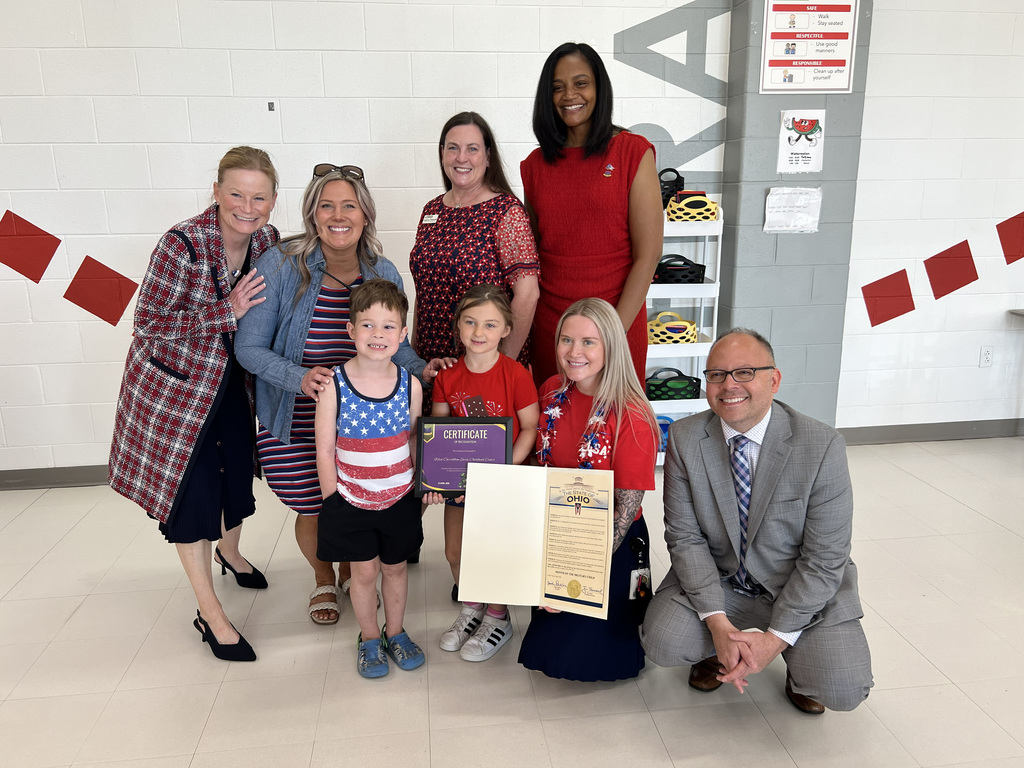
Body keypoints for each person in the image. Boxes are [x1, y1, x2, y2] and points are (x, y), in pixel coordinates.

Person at [236, 164, 439, 626]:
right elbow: (247, 348)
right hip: (294, 412)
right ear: (312, 214)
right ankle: (324, 577)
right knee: (315, 502)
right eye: (326, 205)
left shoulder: (382, 270)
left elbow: (397, 345)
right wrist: (299, 377)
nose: (338, 215)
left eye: (349, 205)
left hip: (365, 418)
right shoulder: (283, 264)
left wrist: (423, 368)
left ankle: (357, 571)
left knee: (363, 498)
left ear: (365, 214)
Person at [640, 329, 873, 713]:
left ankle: (797, 664)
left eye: (744, 372)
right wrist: (717, 625)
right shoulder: (685, 437)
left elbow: (824, 557)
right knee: (662, 642)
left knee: (844, 688)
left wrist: (776, 639)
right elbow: (685, 538)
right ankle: (718, 650)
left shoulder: (822, 445)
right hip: (724, 580)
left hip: (794, 584)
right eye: (716, 374)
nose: (729, 385)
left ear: (773, 380)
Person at [109, 146, 279, 662]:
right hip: (177, 391)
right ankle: (210, 612)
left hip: (232, 383)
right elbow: (150, 325)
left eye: (259, 197)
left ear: (273, 202)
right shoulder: (181, 243)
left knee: (234, 477)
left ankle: (229, 552)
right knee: (195, 494)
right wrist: (224, 311)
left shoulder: (267, 240)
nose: (247, 207)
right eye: (236, 194)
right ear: (216, 192)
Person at [518, 298, 658, 681]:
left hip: (611, 540)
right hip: (559, 528)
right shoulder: (550, 390)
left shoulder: (632, 414)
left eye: (588, 342)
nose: (573, 352)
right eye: (566, 340)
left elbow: (624, 514)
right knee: (546, 652)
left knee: (591, 659)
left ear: (611, 346)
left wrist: (565, 579)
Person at [522, 43, 663, 386]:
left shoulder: (632, 151)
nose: (569, 94)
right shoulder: (536, 165)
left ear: (599, 87)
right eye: (557, 87)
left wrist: (612, 331)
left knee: (614, 431)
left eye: (580, 83)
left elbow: (649, 255)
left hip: (618, 320)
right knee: (556, 428)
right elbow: (535, 253)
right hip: (554, 330)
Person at [314, 279, 426, 678]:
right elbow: (325, 449)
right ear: (350, 330)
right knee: (363, 573)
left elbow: (413, 441)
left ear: (403, 334)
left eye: (388, 326)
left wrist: (420, 488)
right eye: (367, 325)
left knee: (395, 569)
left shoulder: (410, 385)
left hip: (398, 499)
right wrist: (333, 501)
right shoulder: (334, 386)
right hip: (350, 500)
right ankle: (369, 638)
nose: (377, 335)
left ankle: (395, 632)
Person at [424, 284, 539, 662]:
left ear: (506, 329)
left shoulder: (516, 374)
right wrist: (437, 481)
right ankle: (471, 609)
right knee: (456, 552)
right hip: (461, 485)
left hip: (500, 483)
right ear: (457, 325)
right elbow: (439, 434)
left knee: (494, 552)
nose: (478, 332)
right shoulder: (447, 378)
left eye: (490, 325)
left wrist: (505, 471)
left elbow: (529, 427)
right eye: (470, 322)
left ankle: (497, 617)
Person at [410, 111, 540, 376]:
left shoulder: (506, 211)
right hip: (431, 365)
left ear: (488, 156)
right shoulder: (431, 210)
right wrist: (414, 357)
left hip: (484, 366)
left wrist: (499, 366)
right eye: (453, 148)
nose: (461, 158)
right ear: (442, 153)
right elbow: (423, 290)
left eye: (472, 149)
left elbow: (528, 295)